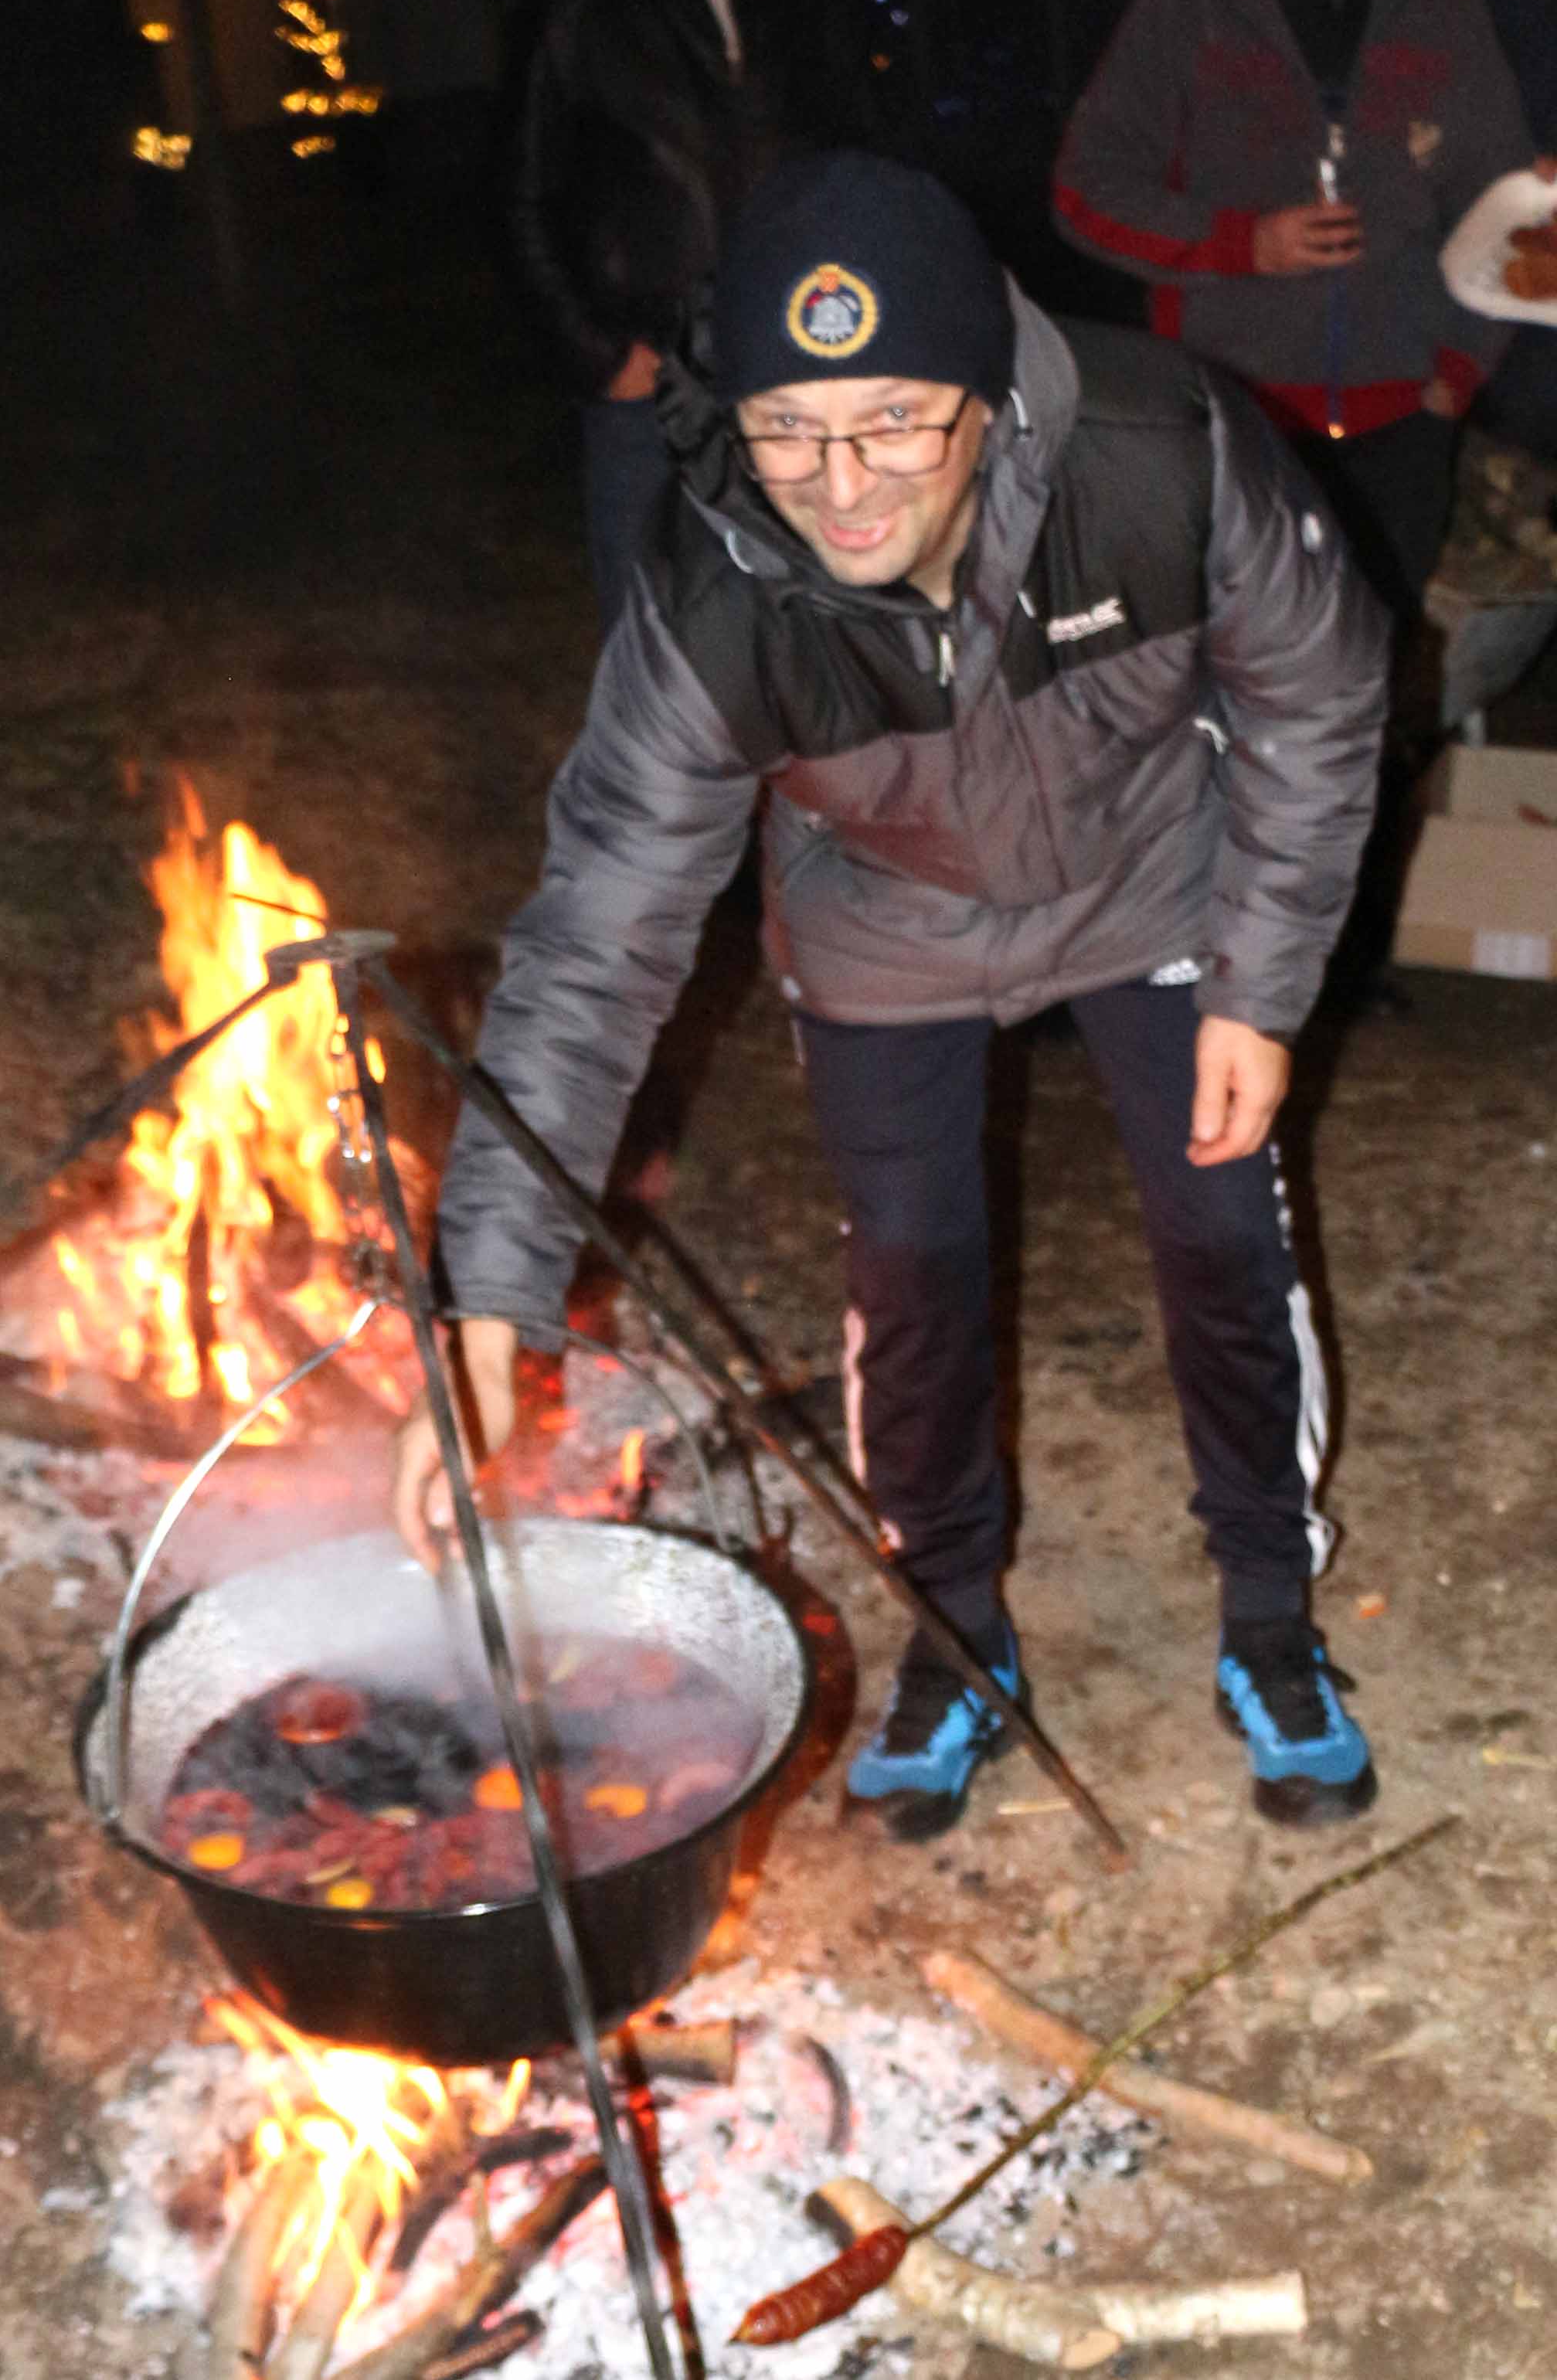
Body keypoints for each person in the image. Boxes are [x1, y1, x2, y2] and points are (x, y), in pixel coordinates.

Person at [393, 151, 1392, 1841]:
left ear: (988, 392)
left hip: (1151, 876)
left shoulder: (1159, 452)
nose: (841, 487)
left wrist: (1260, 980)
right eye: (788, 429)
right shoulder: (715, 593)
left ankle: (1271, 1616)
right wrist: (486, 1292)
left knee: (1224, 1235)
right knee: (912, 1283)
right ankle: (955, 1632)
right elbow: (594, 940)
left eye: (894, 424)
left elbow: (1321, 688)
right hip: (883, 924)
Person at [1052, 0, 1534, 627]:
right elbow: (1084, 192)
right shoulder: (1191, 0)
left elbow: (1501, 203)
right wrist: (1242, 245)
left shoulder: (1443, 5)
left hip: (1401, 426)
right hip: (1234, 425)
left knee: (1376, 668)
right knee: (1242, 667)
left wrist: (1458, 369)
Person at [507, 0, 884, 631]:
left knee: (812, 629)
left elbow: (872, 170)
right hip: (647, 391)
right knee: (657, 637)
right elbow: (523, 202)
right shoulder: (576, 6)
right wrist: (601, 355)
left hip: (801, 371)